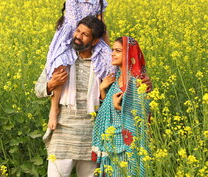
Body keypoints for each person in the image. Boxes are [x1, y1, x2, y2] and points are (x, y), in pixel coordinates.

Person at [35, 16, 152, 177]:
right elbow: (39, 89)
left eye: (85, 34)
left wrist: (144, 82)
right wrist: (51, 84)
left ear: (95, 41)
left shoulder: (105, 64)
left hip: (93, 133)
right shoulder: (60, 59)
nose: (78, 36)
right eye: (77, 31)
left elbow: (126, 79)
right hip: (62, 131)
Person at [33, 0, 108, 131]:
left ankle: (104, 106)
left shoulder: (98, 1)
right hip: (68, 36)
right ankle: (54, 108)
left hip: (89, 37)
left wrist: (108, 48)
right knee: (60, 67)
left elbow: (103, 26)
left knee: (107, 65)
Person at [92, 36, 151, 177]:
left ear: (129, 54)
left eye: (118, 51)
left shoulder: (137, 82)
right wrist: (102, 90)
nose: (112, 53)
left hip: (127, 149)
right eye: (112, 50)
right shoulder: (116, 78)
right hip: (111, 145)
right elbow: (109, 111)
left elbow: (142, 119)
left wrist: (119, 108)